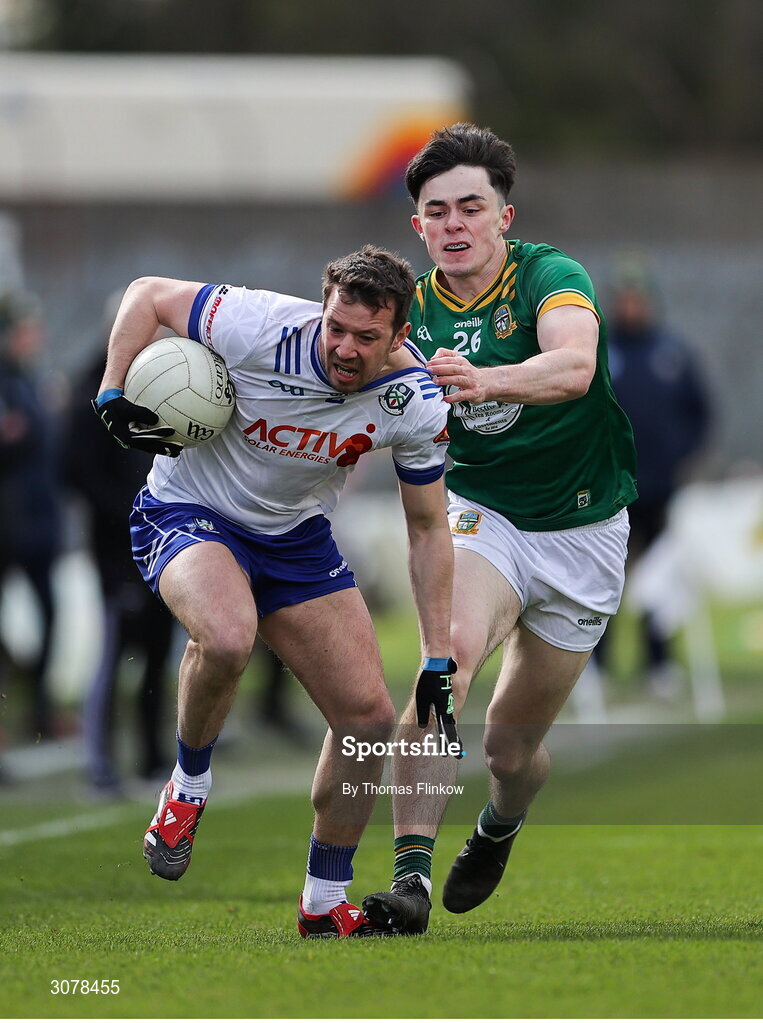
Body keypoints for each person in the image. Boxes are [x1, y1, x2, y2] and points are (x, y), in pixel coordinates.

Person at [92, 245, 457, 939]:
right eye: (336, 328)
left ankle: (324, 901)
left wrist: (438, 654)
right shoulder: (257, 323)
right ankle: (186, 789)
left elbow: (427, 527)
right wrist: (112, 391)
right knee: (227, 636)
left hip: (294, 537)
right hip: (189, 510)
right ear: (321, 310)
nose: (345, 348)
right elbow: (145, 291)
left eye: (366, 337)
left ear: (400, 336)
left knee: (368, 718)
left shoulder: (414, 402)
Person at [361, 124, 637, 934]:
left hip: (584, 527)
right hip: (483, 516)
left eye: (469, 208)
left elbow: (573, 365)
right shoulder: (406, 311)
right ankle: (408, 879)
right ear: (417, 227)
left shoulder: (549, 276)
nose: (453, 224)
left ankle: (499, 823)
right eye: (436, 211)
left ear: (502, 217)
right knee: (442, 670)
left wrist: (481, 379)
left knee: (509, 755)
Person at [594, 256, 711, 696]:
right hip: (611, 489)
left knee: (661, 579)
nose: (631, 307)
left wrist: (682, 457)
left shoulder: (673, 353)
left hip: (661, 490)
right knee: (606, 579)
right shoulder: (602, 351)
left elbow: (699, 413)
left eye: (637, 298)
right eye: (623, 299)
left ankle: (659, 662)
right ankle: (595, 667)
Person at [65, 345, 175, 795]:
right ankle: (101, 763)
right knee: (113, 656)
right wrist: (129, 512)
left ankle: (152, 759)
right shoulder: (90, 393)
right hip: (116, 553)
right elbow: (75, 470)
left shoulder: (162, 380)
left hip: (162, 542)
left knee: (158, 654)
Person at [0, 292, 63, 740]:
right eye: (24, 332)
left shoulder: (29, 381)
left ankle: (41, 709)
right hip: (7, 523)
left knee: (49, 616)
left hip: (39, 522)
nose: (33, 339)